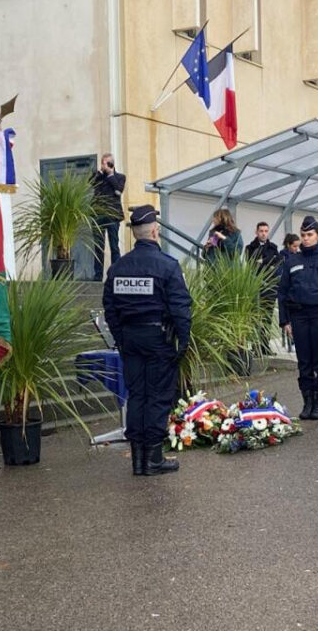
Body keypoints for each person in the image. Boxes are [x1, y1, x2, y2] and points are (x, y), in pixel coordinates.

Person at [103, 205, 192, 476]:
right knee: (157, 396)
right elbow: (180, 307)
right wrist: (183, 341)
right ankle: (153, 458)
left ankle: (138, 461)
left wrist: (121, 337)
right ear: (155, 231)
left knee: (137, 395)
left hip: (130, 339)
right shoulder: (167, 265)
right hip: (158, 339)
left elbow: (110, 308)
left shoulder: (118, 267)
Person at [277, 216, 318, 420]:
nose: (306, 239)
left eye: (310, 235)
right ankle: (308, 401)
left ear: (317, 235)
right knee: (304, 361)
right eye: (303, 235)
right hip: (298, 315)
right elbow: (282, 292)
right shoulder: (292, 261)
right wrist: (285, 321)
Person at [245, 222, 282, 355]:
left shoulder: (273, 247)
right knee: (256, 318)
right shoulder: (250, 248)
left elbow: (278, 261)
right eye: (261, 231)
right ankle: (256, 347)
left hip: (269, 288)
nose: (264, 233)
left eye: (266, 231)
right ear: (256, 232)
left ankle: (265, 346)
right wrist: (269, 261)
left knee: (267, 318)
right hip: (256, 288)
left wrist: (264, 261)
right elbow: (252, 264)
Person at [91, 153, 127, 281]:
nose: (104, 165)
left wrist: (111, 174)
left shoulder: (120, 177)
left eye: (107, 163)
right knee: (98, 247)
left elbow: (118, 191)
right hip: (98, 215)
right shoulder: (98, 177)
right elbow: (90, 183)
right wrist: (100, 173)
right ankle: (97, 276)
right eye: (103, 162)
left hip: (112, 216)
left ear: (112, 164)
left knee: (114, 245)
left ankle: (115, 275)